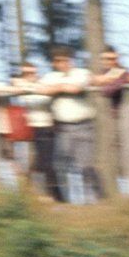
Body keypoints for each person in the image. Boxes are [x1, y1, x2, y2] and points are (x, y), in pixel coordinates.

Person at [39, 47, 100, 202]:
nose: (62, 64)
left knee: (85, 165)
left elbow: (76, 88)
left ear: (70, 60)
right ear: (54, 63)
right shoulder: (49, 76)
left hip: (84, 124)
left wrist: (57, 88)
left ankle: (91, 200)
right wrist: (61, 87)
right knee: (61, 164)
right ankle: (69, 200)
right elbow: (41, 89)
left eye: (65, 60)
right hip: (63, 127)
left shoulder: (81, 72)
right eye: (58, 61)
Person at [93, 46, 129, 195]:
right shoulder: (100, 74)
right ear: (102, 60)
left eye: (113, 58)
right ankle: (112, 193)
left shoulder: (122, 72)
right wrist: (101, 80)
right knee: (109, 155)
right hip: (106, 120)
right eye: (107, 59)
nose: (111, 62)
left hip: (124, 118)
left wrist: (103, 82)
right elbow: (90, 81)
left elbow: (109, 90)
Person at [11, 62, 61, 200]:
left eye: (32, 72)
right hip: (28, 130)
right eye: (26, 73)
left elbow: (45, 97)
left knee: (47, 163)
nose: (30, 76)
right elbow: (22, 96)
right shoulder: (22, 87)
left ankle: (56, 195)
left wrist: (32, 86)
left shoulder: (44, 83)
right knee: (30, 164)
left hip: (46, 127)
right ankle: (32, 195)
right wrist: (26, 85)